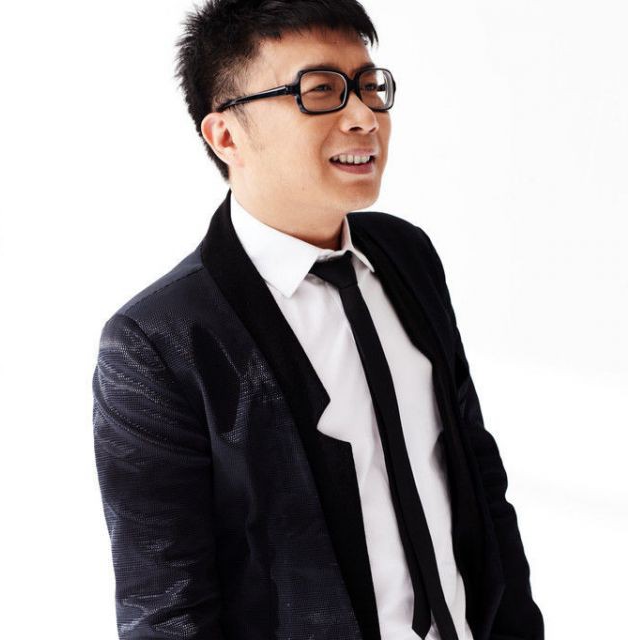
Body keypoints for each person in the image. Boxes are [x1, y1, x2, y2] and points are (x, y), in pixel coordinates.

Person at [91, 1, 544, 639]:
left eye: (369, 86)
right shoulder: (159, 341)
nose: (364, 117)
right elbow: (166, 609)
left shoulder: (407, 256)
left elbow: (478, 479)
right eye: (321, 91)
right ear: (225, 135)